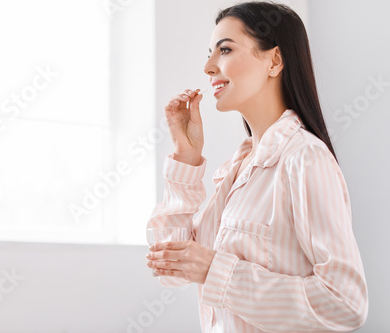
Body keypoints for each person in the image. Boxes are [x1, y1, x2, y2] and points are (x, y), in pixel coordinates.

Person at [145, 2, 369, 332]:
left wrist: (216, 272)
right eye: (209, 53)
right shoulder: (236, 168)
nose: (208, 67)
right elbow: (171, 270)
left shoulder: (304, 159)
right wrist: (186, 157)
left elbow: (345, 304)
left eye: (224, 50)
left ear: (274, 60)